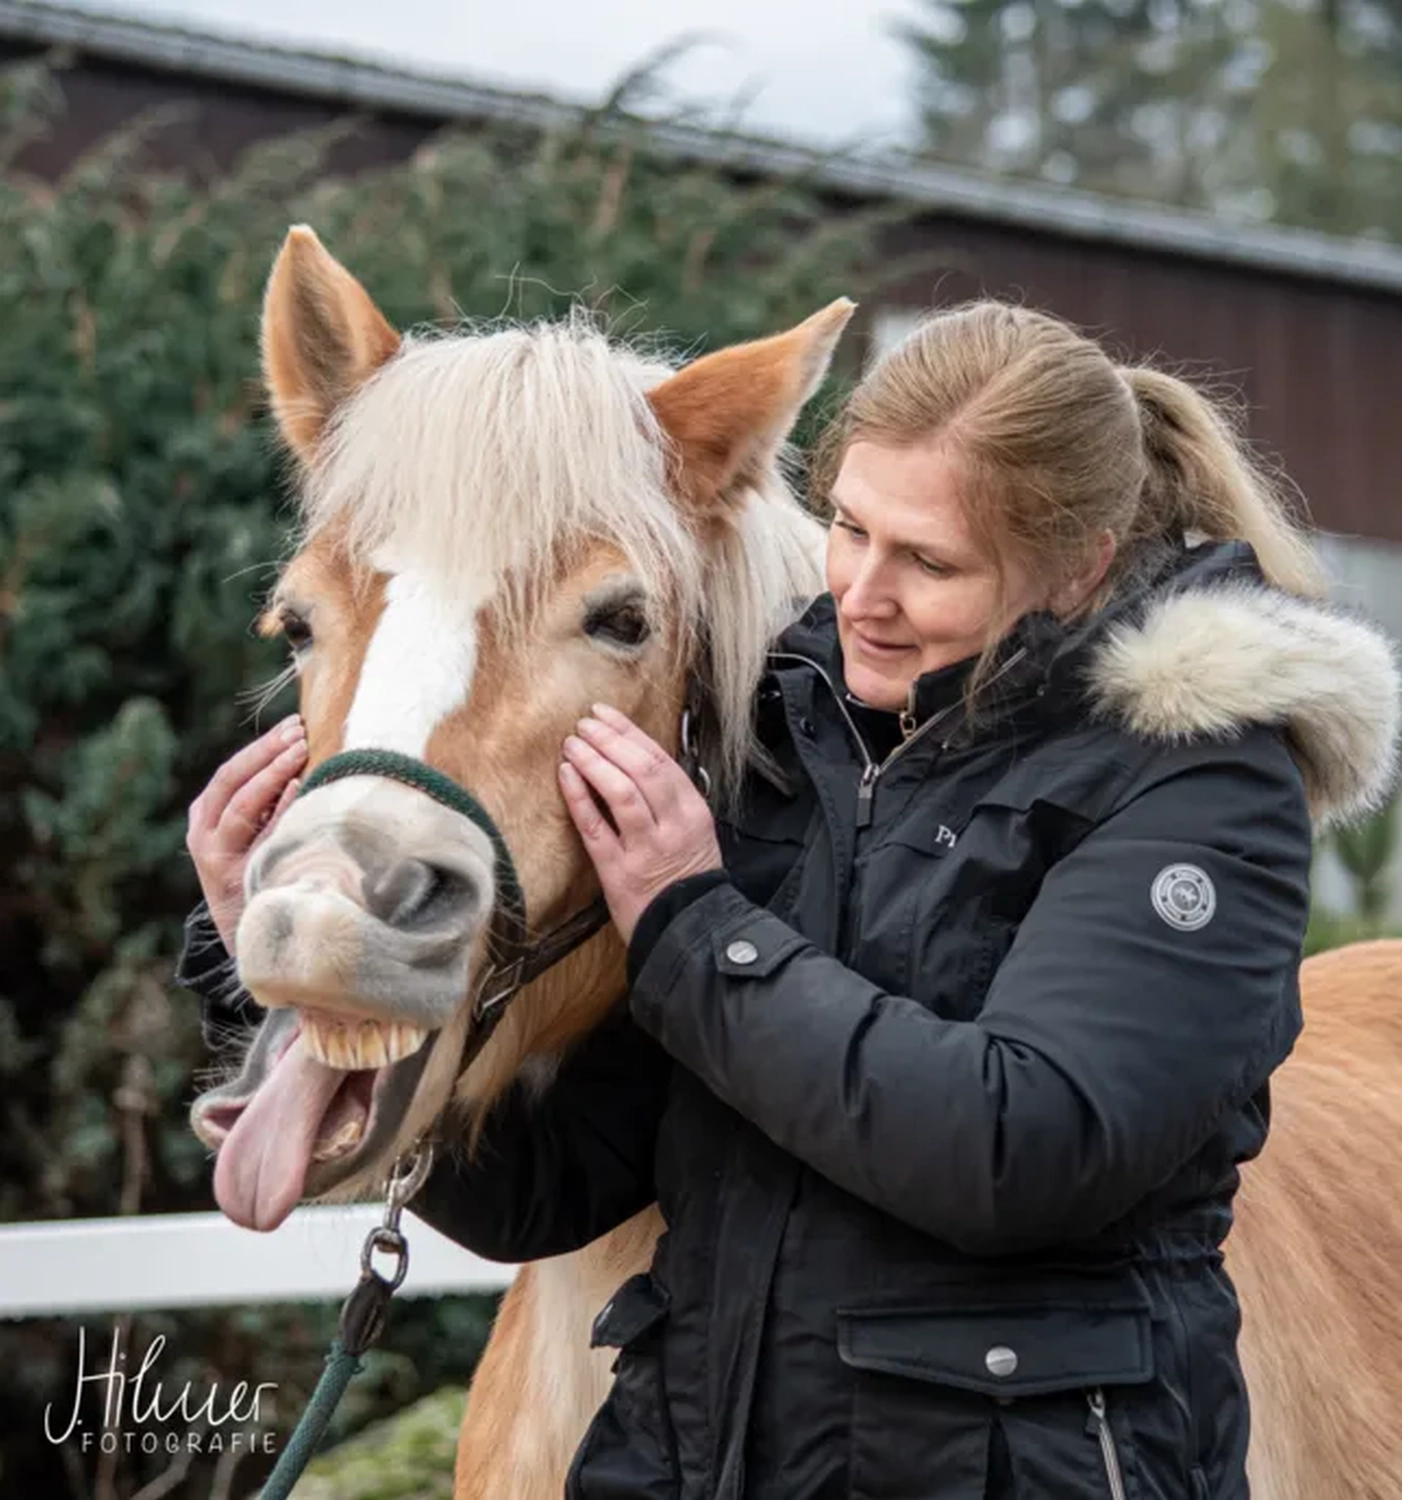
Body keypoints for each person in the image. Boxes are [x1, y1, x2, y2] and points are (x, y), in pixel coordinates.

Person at [179, 302, 1397, 1499]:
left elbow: (1024, 1150)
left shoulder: (1192, 785)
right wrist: (330, 981)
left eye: (927, 561)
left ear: (1075, 568)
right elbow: (559, 1186)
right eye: (850, 527)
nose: (862, 592)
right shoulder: (792, 748)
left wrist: (692, 923)